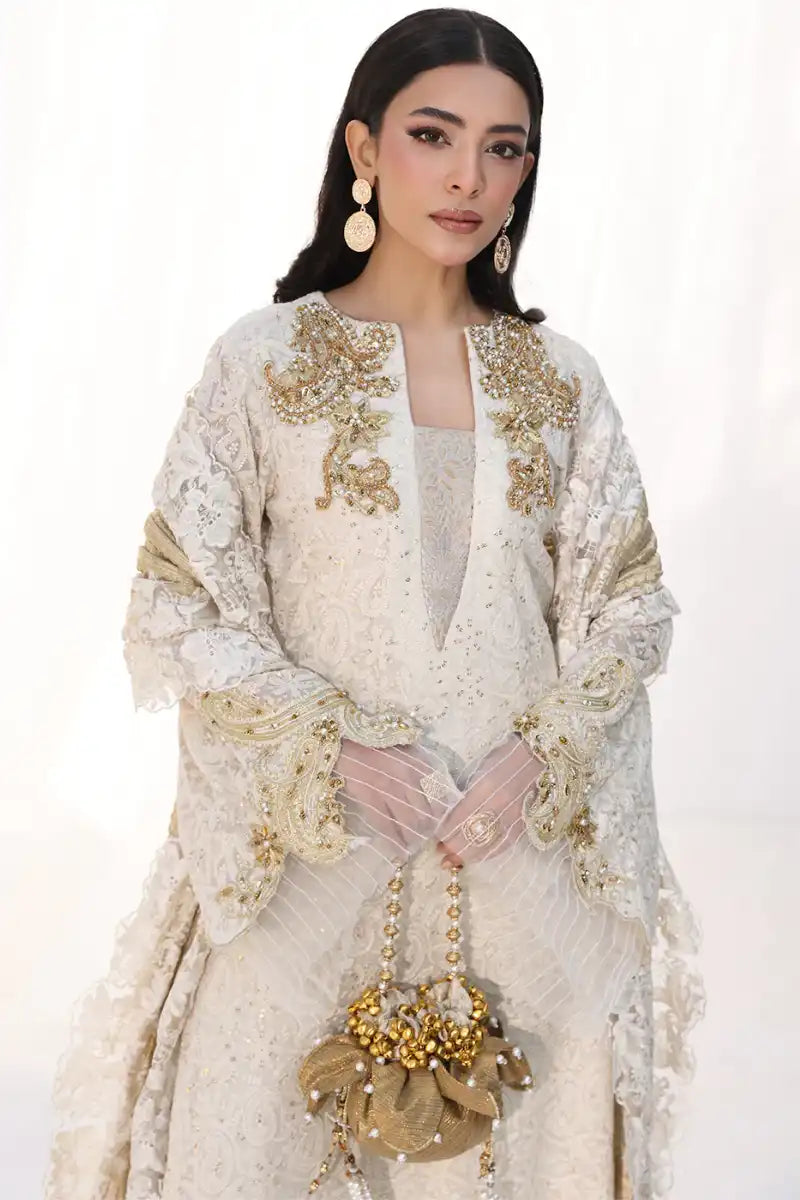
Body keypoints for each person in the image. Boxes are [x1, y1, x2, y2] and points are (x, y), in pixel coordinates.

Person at [43, 9, 705, 1200]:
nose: (467, 178)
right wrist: (331, 751)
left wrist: (537, 759)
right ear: (362, 147)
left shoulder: (560, 383)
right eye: (432, 135)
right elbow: (180, 604)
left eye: (503, 148)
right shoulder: (264, 363)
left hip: (513, 873)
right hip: (306, 876)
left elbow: (627, 607)